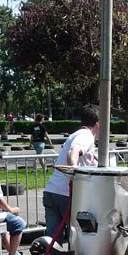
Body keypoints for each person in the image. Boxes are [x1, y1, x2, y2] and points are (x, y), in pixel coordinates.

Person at [42, 105, 101, 245]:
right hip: (67, 194)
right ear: (98, 124)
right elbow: (73, 152)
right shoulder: (86, 136)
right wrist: (73, 174)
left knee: (53, 238)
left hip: (52, 191)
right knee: (81, 234)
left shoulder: (75, 134)